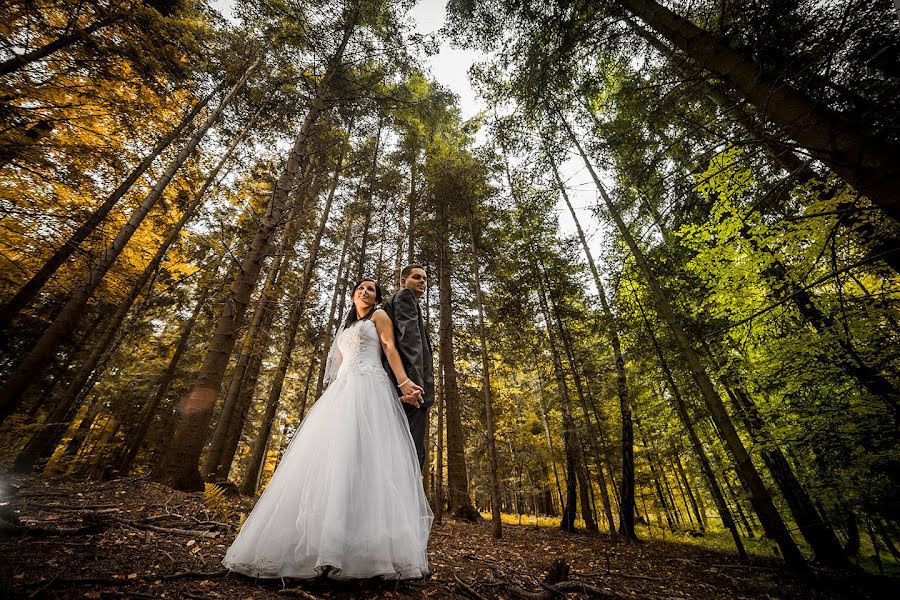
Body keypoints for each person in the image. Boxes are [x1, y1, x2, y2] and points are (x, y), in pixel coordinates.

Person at [222, 278, 433, 580]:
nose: (365, 291)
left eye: (371, 289)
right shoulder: (344, 330)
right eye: (360, 288)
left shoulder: (379, 317)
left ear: (376, 298)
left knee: (365, 460)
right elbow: (339, 363)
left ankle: (364, 550)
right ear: (351, 296)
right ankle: (321, 545)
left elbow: (389, 348)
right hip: (342, 392)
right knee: (330, 460)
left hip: (371, 388)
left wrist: (403, 382)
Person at [381, 265, 434, 468]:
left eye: (425, 279)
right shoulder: (404, 297)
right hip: (411, 390)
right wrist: (413, 384)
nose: (422, 281)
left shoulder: (401, 300)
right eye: (416, 277)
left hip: (401, 384)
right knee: (409, 452)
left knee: (402, 449)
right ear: (403, 281)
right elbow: (409, 340)